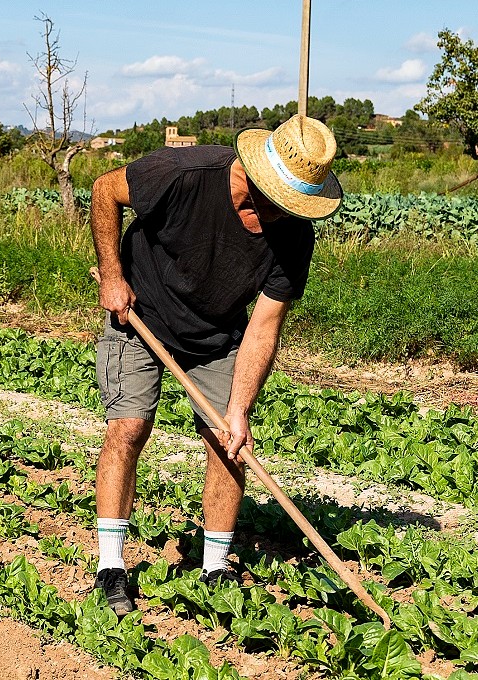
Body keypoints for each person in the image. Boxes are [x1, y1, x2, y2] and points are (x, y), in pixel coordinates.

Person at [88, 114, 341, 615]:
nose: (281, 216)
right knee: (128, 427)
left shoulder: (294, 238)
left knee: (228, 441)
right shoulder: (183, 173)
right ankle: (110, 567)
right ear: (250, 176)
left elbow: (264, 326)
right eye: (277, 203)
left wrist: (240, 409)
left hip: (217, 333)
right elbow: (103, 191)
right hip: (140, 313)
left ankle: (215, 567)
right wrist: (113, 276)